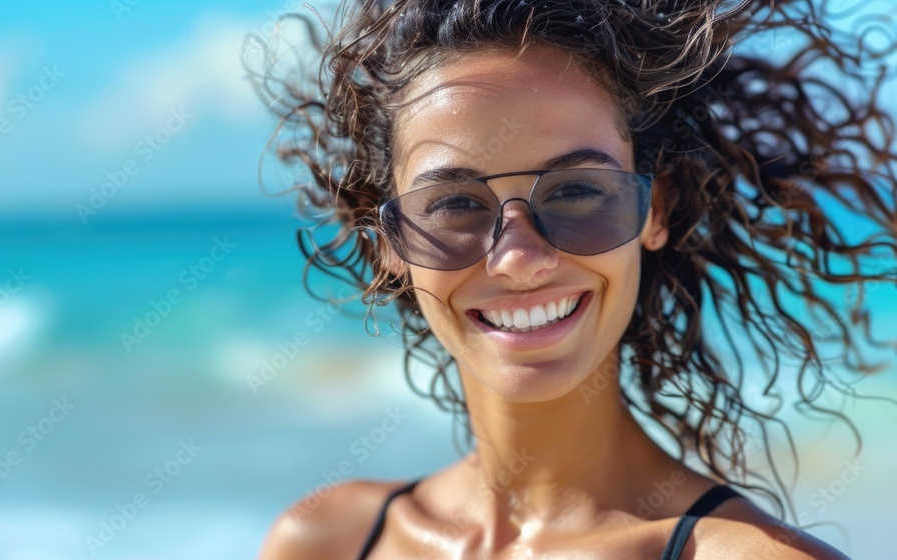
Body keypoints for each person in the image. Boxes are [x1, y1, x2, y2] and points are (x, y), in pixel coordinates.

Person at [250, 0, 897, 557]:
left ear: (656, 208)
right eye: (454, 203)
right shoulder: (325, 542)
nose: (519, 258)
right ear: (388, 238)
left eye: (578, 191)